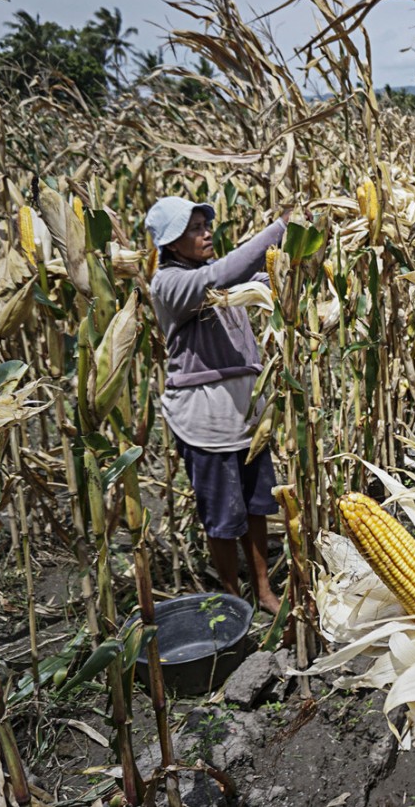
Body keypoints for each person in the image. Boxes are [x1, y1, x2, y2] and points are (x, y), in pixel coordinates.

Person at [146, 196, 287, 615]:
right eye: (194, 228)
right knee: (224, 519)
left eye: (206, 224)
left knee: (258, 507)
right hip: (205, 418)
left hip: (246, 416)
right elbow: (225, 274)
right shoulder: (170, 284)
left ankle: (262, 592)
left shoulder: (213, 276)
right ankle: (233, 601)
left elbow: (254, 278)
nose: (206, 232)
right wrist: (280, 227)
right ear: (172, 244)